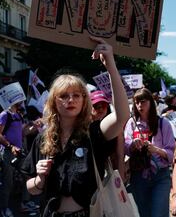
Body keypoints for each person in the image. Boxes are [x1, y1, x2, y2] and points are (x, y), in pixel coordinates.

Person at [20, 36, 130, 217]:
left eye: (77, 95)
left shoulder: (93, 133)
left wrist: (110, 65)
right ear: (54, 102)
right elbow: (31, 189)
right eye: (64, 95)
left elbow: (122, 116)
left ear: (84, 101)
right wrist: (40, 178)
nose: (71, 100)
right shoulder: (43, 139)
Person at [124, 88, 175, 217]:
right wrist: (133, 145)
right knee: (144, 213)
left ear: (151, 102)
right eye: (137, 102)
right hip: (139, 174)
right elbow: (125, 146)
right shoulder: (131, 123)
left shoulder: (164, 123)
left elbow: (171, 153)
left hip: (160, 175)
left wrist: (156, 150)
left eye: (143, 101)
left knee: (159, 213)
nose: (140, 105)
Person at [0, 101, 37, 217]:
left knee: (28, 176)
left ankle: (24, 203)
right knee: (8, 182)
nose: (22, 102)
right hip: (8, 153)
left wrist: (34, 126)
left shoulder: (18, 115)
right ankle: (4, 209)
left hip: (19, 153)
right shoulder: (4, 115)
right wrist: (10, 146)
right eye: (20, 100)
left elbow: (22, 133)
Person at [90, 89, 126, 180]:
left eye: (104, 105)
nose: (101, 109)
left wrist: (120, 181)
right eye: (96, 106)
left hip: (106, 176)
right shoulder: (82, 127)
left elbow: (120, 155)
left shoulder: (116, 128)